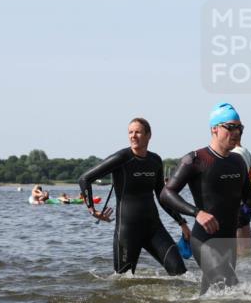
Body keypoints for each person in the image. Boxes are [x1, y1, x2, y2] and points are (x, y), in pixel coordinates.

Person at [160, 103, 251, 293]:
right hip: (204, 240)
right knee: (230, 288)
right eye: (231, 127)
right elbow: (166, 194)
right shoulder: (196, 159)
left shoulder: (238, 161)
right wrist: (197, 213)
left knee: (214, 296)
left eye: (240, 128)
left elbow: (249, 199)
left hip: (229, 242)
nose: (236, 132)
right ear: (214, 128)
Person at [77, 118, 189, 276]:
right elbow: (84, 179)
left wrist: (181, 222)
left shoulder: (155, 160)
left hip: (154, 228)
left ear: (149, 135)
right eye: (130, 132)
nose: (133, 136)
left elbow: (162, 196)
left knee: (180, 272)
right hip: (127, 231)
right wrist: (92, 210)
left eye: (138, 132)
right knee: (123, 280)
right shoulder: (122, 158)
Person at [231, 144, 251, 256]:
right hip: (248, 199)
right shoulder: (246, 152)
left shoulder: (232, 154)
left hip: (237, 199)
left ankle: (240, 257)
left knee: (238, 225)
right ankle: (249, 258)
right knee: (245, 224)